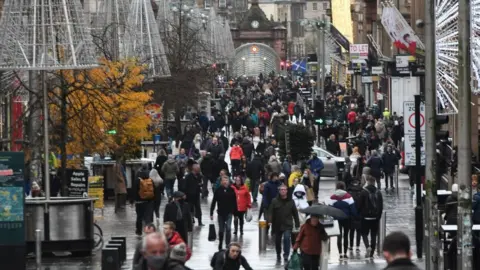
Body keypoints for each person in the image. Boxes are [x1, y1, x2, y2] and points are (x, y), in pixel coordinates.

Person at [268, 184, 300, 263]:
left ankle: (286, 255)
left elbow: (295, 213)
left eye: (284, 189)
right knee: (277, 241)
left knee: (286, 238)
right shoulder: (274, 201)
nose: (283, 191)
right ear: (279, 191)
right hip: (277, 225)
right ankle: (278, 253)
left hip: (288, 224)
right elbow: (270, 212)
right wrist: (269, 221)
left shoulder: (291, 201)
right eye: (281, 189)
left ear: (286, 191)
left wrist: (297, 223)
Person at [327, 181, 357, 259]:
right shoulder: (348, 196)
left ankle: (340, 253)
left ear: (336, 187)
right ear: (344, 187)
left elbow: (330, 209)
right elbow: (353, 209)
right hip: (346, 218)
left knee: (339, 236)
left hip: (337, 219)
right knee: (346, 235)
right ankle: (345, 253)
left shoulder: (333, 197)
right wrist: (355, 216)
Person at [357, 176, 383, 258]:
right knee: (374, 234)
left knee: (364, 233)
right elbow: (381, 206)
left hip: (365, 217)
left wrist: (359, 214)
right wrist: (378, 216)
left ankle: (367, 246)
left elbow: (359, 205)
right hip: (375, 217)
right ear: (374, 182)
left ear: (367, 182)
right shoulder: (378, 192)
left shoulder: (364, 192)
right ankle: (371, 253)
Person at [210, 176, 238, 250]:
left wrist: (235, 213)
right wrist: (211, 212)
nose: (225, 182)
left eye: (226, 180)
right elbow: (214, 201)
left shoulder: (231, 190)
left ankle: (227, 244)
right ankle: (220, 242)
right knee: (221, 230)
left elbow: (235, 202)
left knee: (228, 228)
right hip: (221, 213)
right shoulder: (218, 190)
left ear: (229, 181)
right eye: (223, 180)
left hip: (229, 212)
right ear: (221, 182)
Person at [131, 165, 155, 236]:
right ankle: (149, 231)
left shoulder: (137, 180)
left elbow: (134, 191)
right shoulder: (150, 180)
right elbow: (154, 190)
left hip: (139, 202)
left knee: (139, 216)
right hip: (149, 201)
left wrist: (132, 200)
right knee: (148, 217)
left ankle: (139, 231)